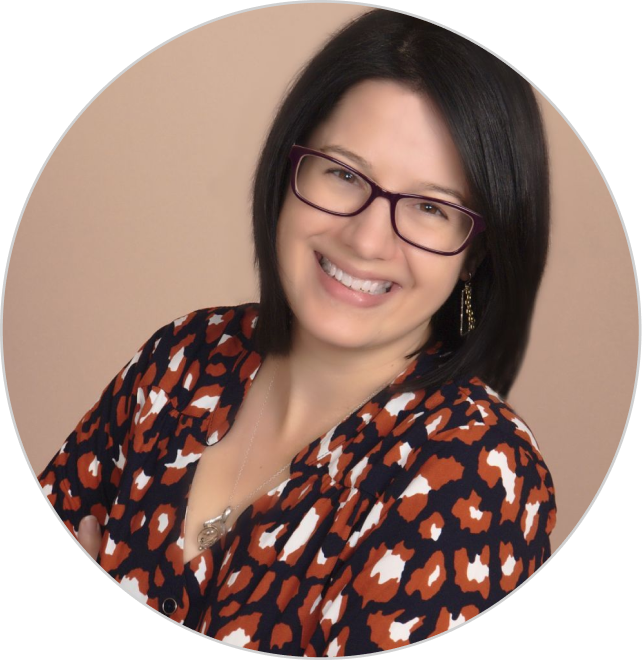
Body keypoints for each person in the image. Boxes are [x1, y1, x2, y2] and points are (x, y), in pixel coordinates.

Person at [37, 9, 556, 654]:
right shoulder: (181, 359)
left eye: (431, 208)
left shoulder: (477, 475)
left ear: (477, 251)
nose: (366, 239)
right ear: (289, 170)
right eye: (342, 173)